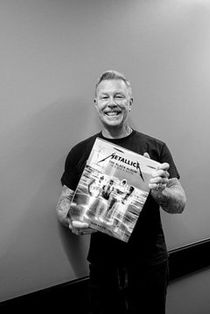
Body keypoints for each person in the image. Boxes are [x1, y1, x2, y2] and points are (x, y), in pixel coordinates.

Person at [56, 70, 186, 314]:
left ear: (130, 102)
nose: (112, 103)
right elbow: (62, 206)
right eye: (105, 98)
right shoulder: (81, 152)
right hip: (104, 266)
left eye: (119, 96)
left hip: (150, 263)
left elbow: (180, 203)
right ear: (96, 104)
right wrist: (72, 218)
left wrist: (161, 194)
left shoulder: (155, 149)